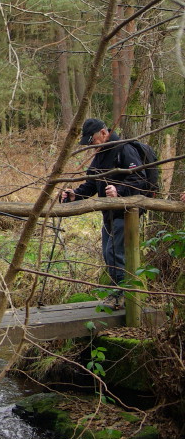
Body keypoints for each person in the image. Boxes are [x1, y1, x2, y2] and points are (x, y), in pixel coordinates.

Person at [60, 118, 149, 308]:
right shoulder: (100, 154)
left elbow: (140, 180)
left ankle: (121, 296)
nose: (91, 146)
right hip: (108, 213)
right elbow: (92, 182)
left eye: (92, 140)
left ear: (103, 133)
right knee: (108, 253)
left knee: (115, 252)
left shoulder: (123, 149)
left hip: (126, 212)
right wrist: (75, 195)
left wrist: (118, 191)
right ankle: (118, 293)